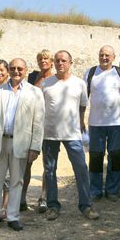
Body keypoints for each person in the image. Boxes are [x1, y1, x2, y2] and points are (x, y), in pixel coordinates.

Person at [0, 58, 45, 233]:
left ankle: (13, 216)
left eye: (20, 69)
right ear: (9, 70)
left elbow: (38, 122)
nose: (16, 71)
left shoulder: (35, 92)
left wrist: (35, 147)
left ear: (25, 70)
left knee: (17, 181)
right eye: (13, 68)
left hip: (21, 142)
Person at [41, 50, 100, 220]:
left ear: (70, 63)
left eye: (64, 60)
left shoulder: (80, 83)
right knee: (50, 171)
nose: (60, 63)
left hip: (73, 134)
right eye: (57, 60)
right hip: (50, 134)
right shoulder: (46, 84)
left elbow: (82, 105)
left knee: (81, 169)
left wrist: (81, 121)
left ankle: (86, 206)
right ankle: (53, 206)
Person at [84, 45, 120, 201]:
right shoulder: (91, 73)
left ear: (113, 57)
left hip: (117, 123)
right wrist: (80, 119)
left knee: (116, 156)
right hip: (96, 123)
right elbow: (83, 99)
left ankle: (112, 190)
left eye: (107, 55)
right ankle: (96, 190)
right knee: (96, 157)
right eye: (101, 54)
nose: (104, 58)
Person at [21, 49, 54, 213]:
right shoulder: (33, 77)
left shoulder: (55, 79)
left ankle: (44, 196)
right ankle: (22, 197)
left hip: (47, 125)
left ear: (52, 61)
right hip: (31, 125)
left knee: (47, 164)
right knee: (26, 163)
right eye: (41, 58)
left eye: (46, 58)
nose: (43, 61)